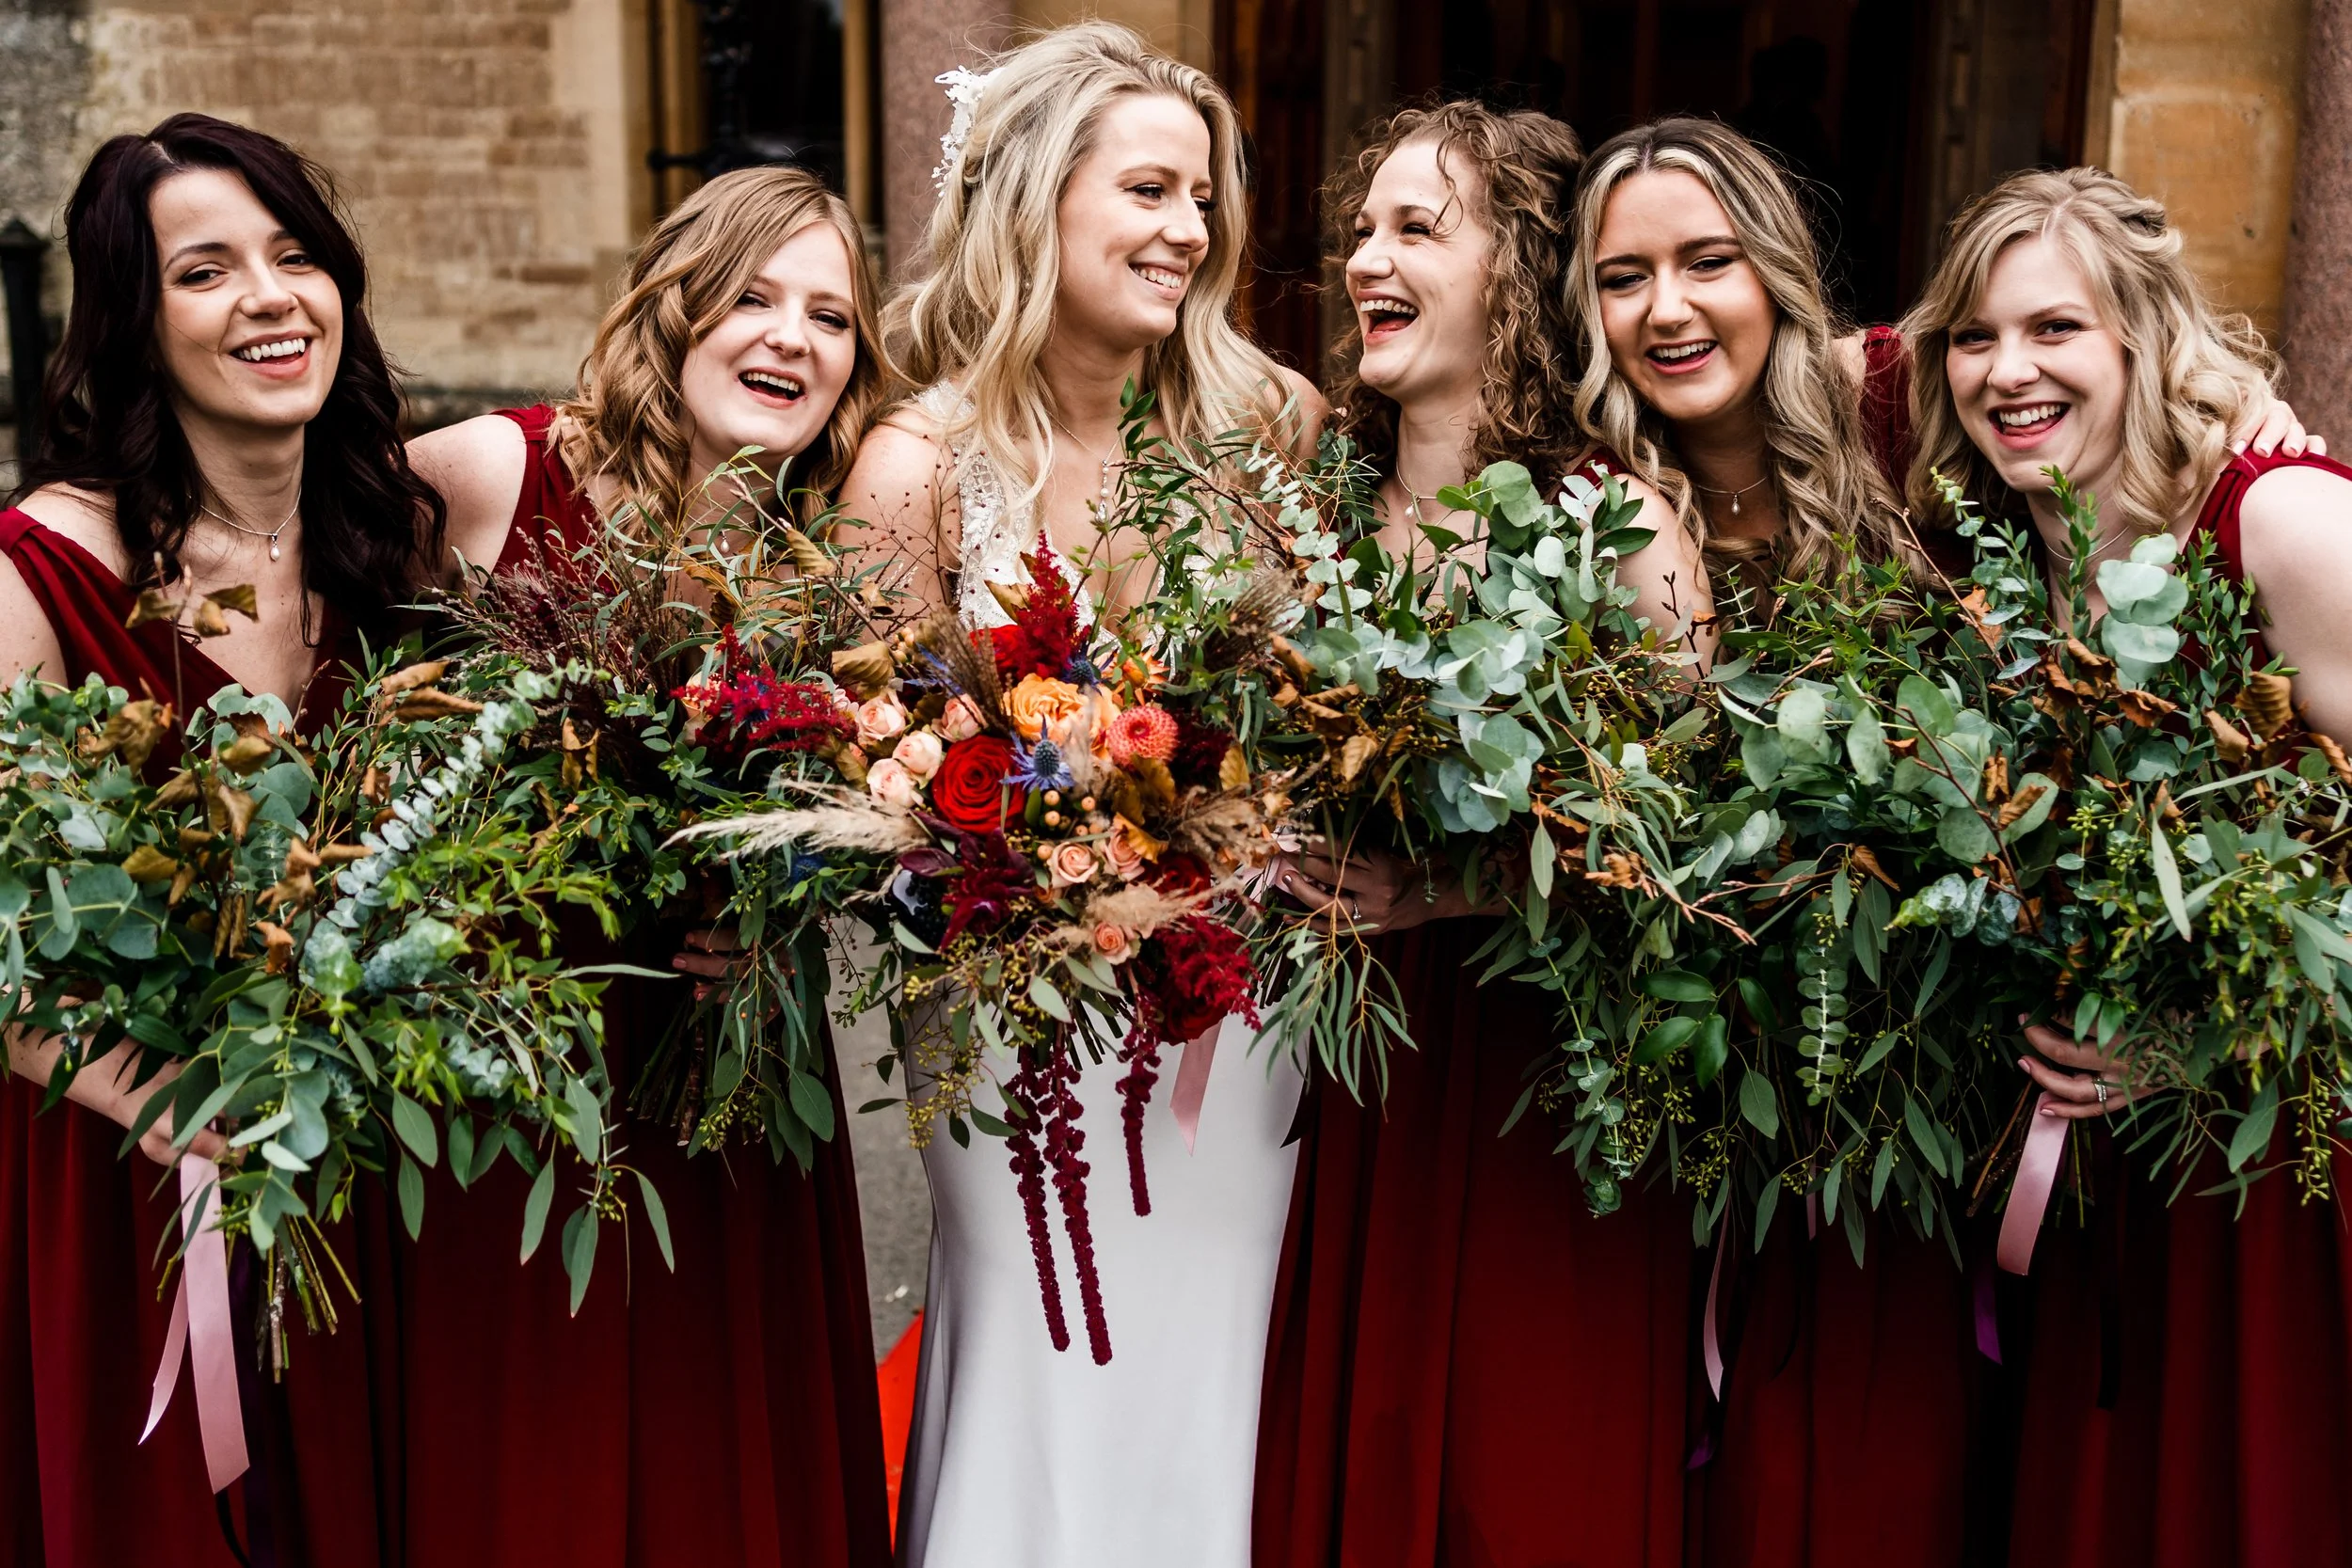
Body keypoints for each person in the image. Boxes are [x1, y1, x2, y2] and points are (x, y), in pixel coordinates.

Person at [1565, 119, 2320, 1568]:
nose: (1668, 308)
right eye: (1622, 275)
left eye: (1710, 261)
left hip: (2029, 1129)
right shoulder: (1594, 498)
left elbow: (2094, 372)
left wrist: (2237, 407)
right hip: (1764, 1124)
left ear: (1776, 278)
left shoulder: (1906, 420)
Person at [830, 24, 1320, 1567]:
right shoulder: (917, 468)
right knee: (1046, 1348)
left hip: (1238, 1011)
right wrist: (1031, 865)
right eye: (1151, 190)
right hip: (1014, 1026)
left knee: (1215, 1359)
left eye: (1203, 197)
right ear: (1036, 198)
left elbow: (1322, 710)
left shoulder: (1267, 432)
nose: (1188, 230)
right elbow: (870, 769)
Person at [391, 166, 894, 1567]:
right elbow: (311, 630)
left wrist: (803, 885)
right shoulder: (500, 471)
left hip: (731, 1085)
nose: (792, 337)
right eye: (752, 296)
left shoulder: (830, 558)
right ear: (676, 306)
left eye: (831, 316)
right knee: (529, 1453)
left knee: (718, 1463)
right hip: (521, 1083)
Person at [1251, 102, 1706, 1568]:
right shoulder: (1304, 509)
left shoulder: (1618, 524)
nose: (1367, 259)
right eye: (1361, 230)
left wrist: (1447, 885)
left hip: (1538, 1091)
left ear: (1520, 270)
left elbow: (1697, 846)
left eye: (1417, 229)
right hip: (1341, 1084)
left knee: (1527, 1482)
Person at [0, 113, 440, 1567]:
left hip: (364, 1183)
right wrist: (166, 1102)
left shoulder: (392, 547)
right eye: (208, 269)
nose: (270, 296)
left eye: (296, 255)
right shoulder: (43, 572)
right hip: (129, 1180)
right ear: (136, 318)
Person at [1904, 165, 2352, 1568]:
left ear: (2144, 338)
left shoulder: (2273, 521)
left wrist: (2212, 1030)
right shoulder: (1996, 575)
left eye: (2056, 329)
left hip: (2276, 1167)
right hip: (2106, 1188)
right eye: (1975, 336)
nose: (2007, 370)